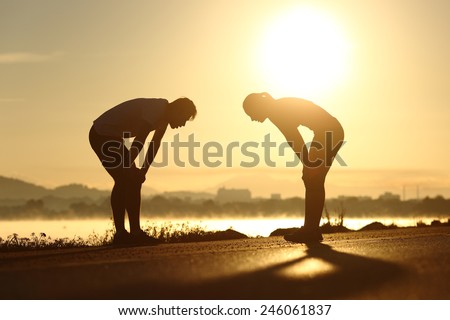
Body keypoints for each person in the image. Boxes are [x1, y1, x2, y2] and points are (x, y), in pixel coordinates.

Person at [89, 97, 197, 245]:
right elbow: (140, 138)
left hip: (112, 137)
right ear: (177, 111)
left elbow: (154, 145)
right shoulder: (157, 109)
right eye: (183, 119)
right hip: (101, 134)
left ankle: (132, 233)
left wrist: (143, 172)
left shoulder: (163, 118)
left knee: (132, 179)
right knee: (124, 179)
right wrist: (130, 168)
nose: (183, 124)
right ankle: (124, 234)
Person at [243, 92, 344, 243]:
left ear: (258, 106)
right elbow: (294, 140)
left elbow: (294, 139)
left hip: (329, 132)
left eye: (251, 114)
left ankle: (311, 230)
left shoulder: (275, 111)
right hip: (330, 131)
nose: (252, 119)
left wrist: (307, 164)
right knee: (313, 180)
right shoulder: (275, 107)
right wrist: (307, 164)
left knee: (313, 179)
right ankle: (312, 230)